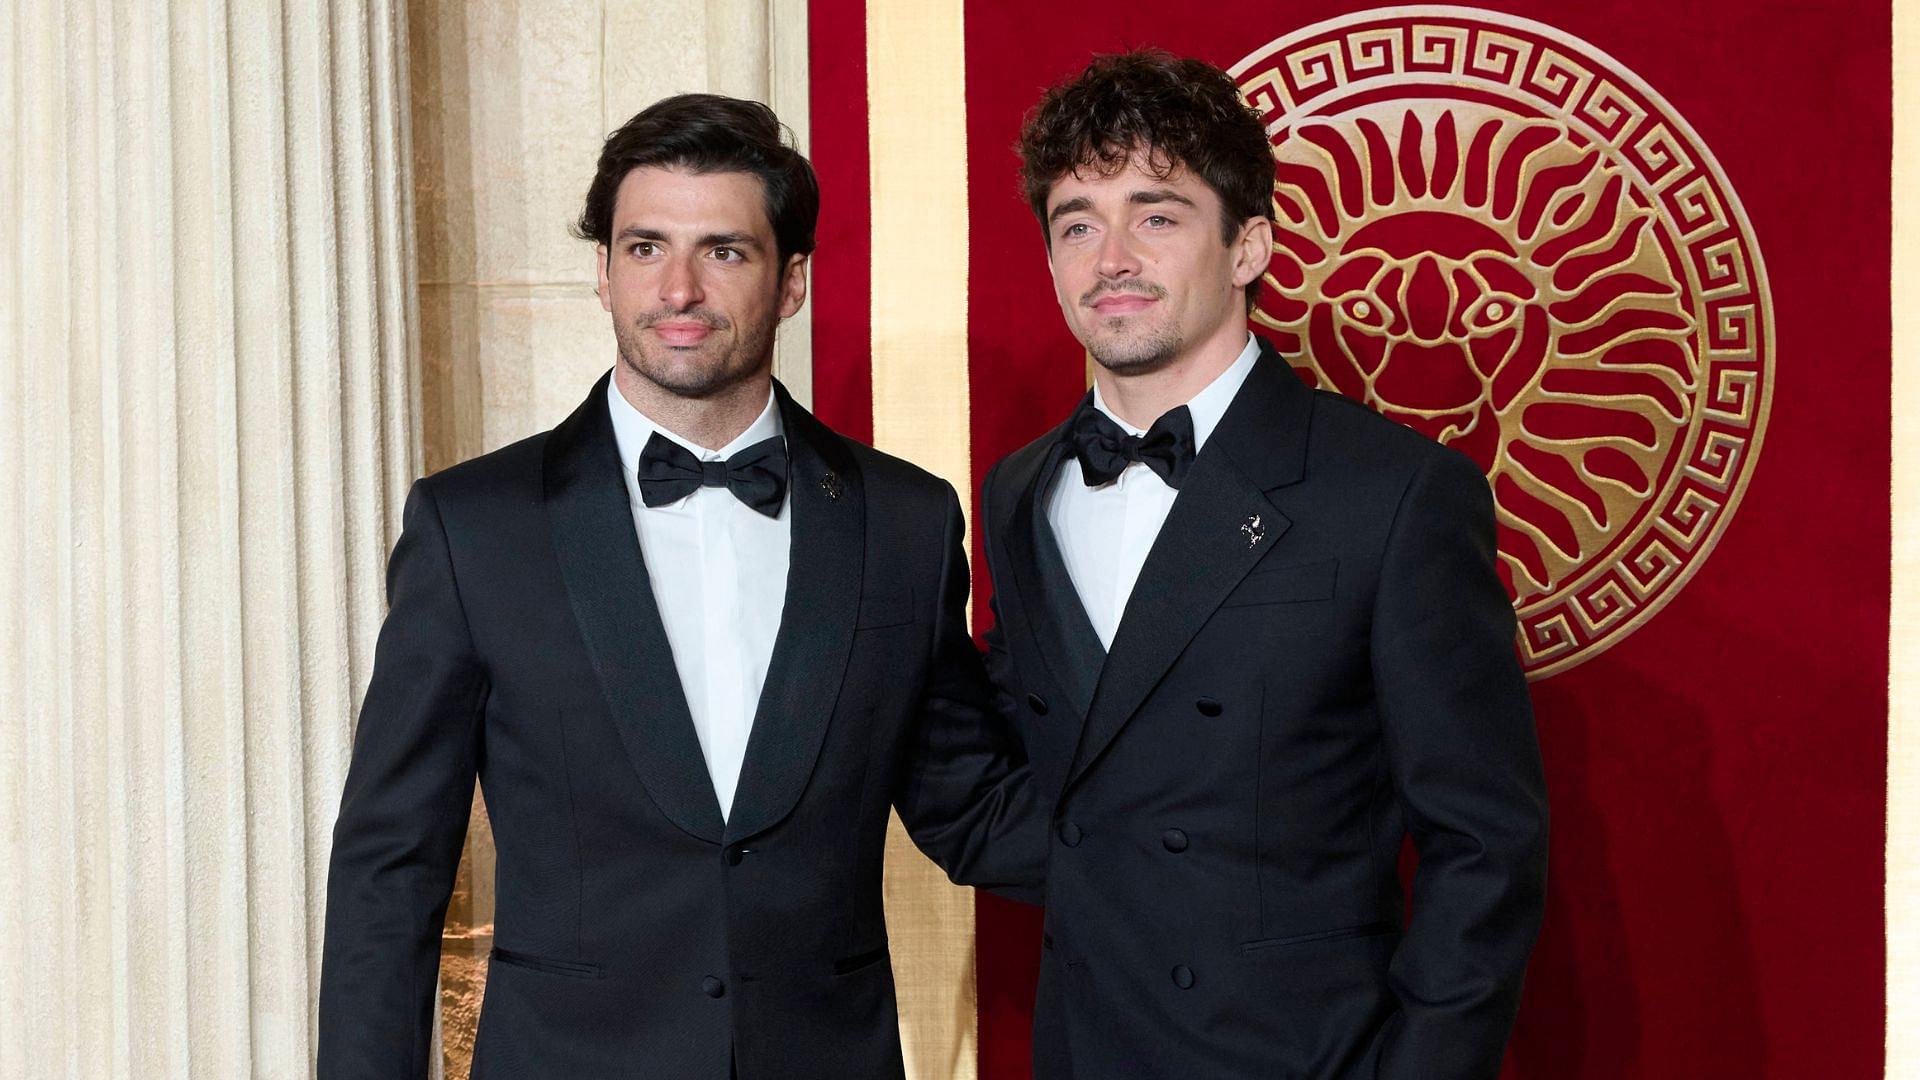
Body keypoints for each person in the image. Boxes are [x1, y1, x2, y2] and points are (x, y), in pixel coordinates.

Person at [318, 93, 1042, 1080]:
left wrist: (1235, 836)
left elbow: (974, 809)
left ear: (791, 281)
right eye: (646, 247)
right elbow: (390, 866)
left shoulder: (905, 523)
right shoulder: (474, 528)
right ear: (605, 274)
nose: (680, 288)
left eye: (726, 252)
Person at [978, 50, 1549, 1078]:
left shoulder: (1396, 493)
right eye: (1076, 224)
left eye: (1156, 215)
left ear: (1250, 248)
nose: (1110, 257)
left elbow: (1487, 846)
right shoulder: (1019, 494)